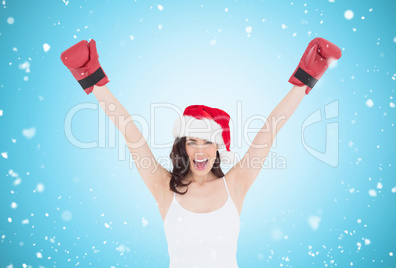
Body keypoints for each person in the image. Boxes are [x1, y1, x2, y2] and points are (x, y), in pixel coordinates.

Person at [60, 37, 342, 267]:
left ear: (218, 148)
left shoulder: (235, 185)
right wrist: (93, 80)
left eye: (206, 142)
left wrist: (306, 79)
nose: (199, 150)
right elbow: (130, 133)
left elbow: (269, 131)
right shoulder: (164, 188)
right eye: (192, 141)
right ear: (182, 146)